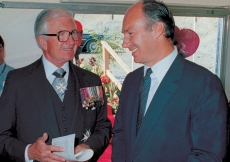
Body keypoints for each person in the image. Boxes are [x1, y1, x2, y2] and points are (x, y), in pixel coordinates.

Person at [112, 0, 229, 161]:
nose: (124, 43)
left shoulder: (204, 84)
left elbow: (207, 155)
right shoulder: (131, 80)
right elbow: (120, 134)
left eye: (130, 33)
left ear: (157, 29)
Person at [0, 8, 111, 162]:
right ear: (42, 42)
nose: (72, 41)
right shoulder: (18, 81)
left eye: (73, 33)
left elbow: (102, 125)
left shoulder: (91, 81)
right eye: (62, 34)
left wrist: (89, 146)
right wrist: (29, 152)